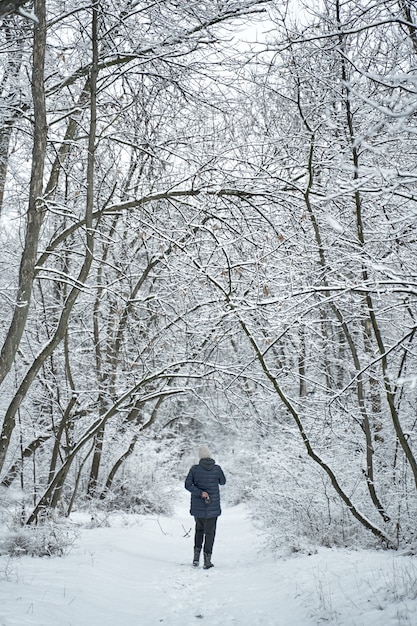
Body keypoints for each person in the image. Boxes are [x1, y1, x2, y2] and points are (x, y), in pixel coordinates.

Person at [185, 446, 226, 569]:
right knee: (210, 533)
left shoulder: (194, 469)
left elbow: (187, 485)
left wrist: (199, 492)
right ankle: (207, 561)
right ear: (210, 456)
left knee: (199, 531)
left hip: (198, 506)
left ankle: (196, 558)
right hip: (213, 506)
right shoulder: (217, 469)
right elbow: (223, 482)